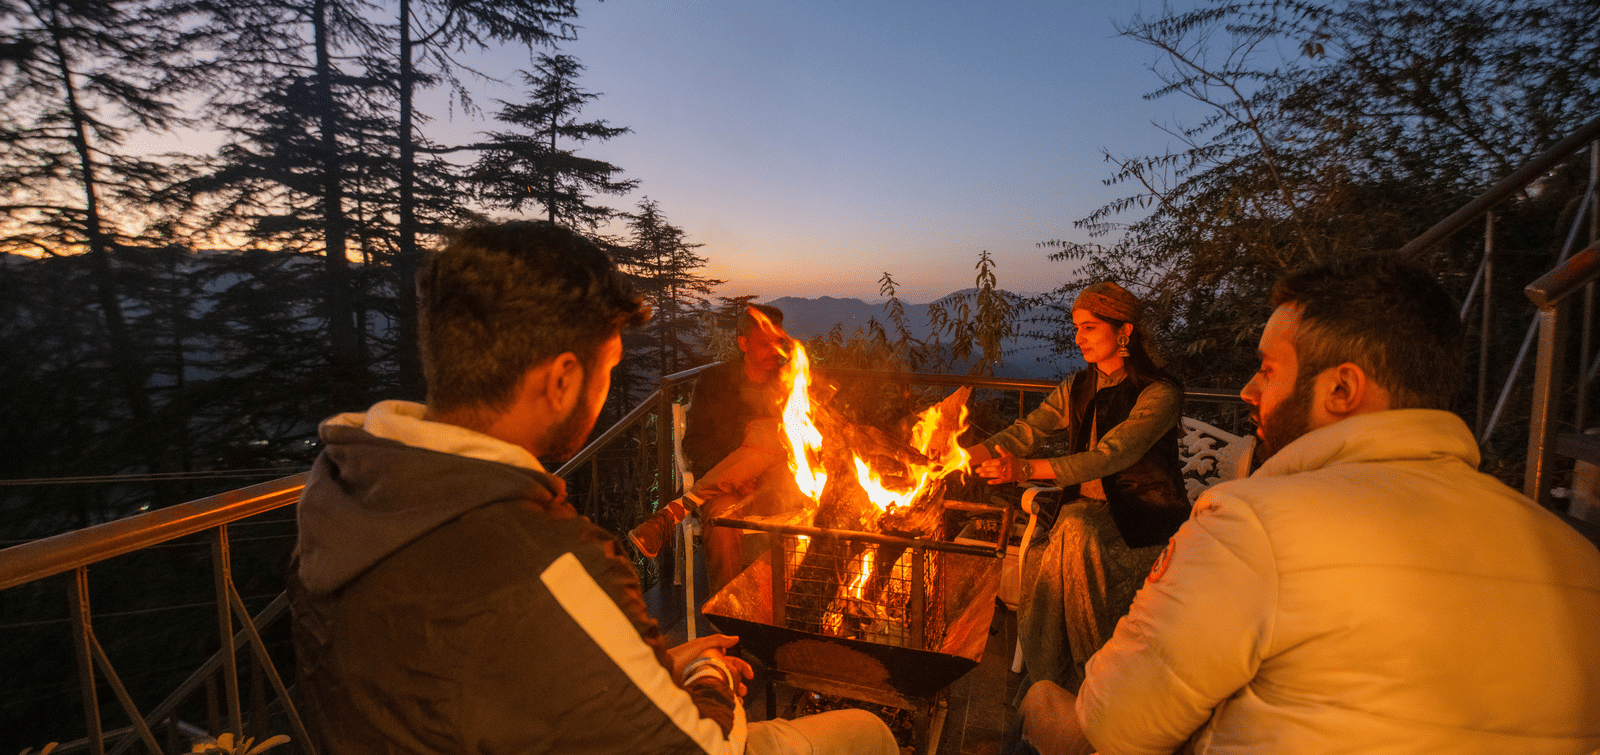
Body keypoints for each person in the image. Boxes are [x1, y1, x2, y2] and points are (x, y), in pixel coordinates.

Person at [288, 221, 897, 755]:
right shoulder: (550, 557)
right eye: (609, 369)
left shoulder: (340, 493)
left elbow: (471, 675)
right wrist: (707, 673)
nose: (606, 389)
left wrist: (658, 667)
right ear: (561, 380)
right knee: (868, 733)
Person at [1017, 252, 1600, 755]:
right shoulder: (1577, 558)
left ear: (1341, 389)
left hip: (1139, 527)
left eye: (1268, 370)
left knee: (1045, 706)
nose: (1247, 390)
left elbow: (1115, 725)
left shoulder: (1249, 524)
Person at [964, 281, 1190, 697]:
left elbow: (1111, 455)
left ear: (1124, 332)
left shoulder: (1159, 393)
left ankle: (1091, 682)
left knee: (1073, 533)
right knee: (1068, 533)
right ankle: (1055, 684)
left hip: (1140, 520)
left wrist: (1024, 469)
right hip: (1083, 513)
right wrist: (956, 457)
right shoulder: (1079, 386)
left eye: (1089, 327)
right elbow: (1027, 431)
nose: (1077, 338)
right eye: (1076, 328)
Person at [631, 304, 809, 592]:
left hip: (779, 488)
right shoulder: (714, 383)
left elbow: (803, 441)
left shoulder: (791, 382)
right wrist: (737, 477)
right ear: (743, 343)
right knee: (722, 520)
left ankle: (673, 513)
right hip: (726, 491)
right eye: (764, 344)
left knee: (768, 434)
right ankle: (727, 611)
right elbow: (695, 443)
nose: (775, 351)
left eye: (778, 342)